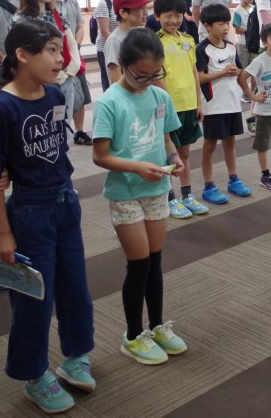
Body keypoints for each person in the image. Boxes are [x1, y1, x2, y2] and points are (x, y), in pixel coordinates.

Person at [0, 20, 95, 414]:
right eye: (50, 50)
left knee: (75, 287)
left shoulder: (54, 93)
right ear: (22, 55)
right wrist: (3, 234)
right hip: (30, 212)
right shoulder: (2, 107)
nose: (60, 58)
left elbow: (56, 149)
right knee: (34, 298)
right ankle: (34, 376)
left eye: (60, 49)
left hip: (65, 202)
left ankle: (76, 354)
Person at [92, 28, 189, 366]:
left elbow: (165, 139)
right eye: (141, 75)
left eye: (155, 74)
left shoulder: (159, 97)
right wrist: (137, 167)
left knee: (155, 261)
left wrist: (174, 157)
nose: (148, 81)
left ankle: (157, 326)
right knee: (139, 264)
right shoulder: (109, 102)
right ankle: (133, 336)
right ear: (122, 65)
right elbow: (100, 156)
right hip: (126, 193)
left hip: (156, 189)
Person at [154, 0, 208, 218]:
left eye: (178, 15)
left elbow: (194, 72)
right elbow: (158, 76)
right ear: (157, 16)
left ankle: (187, 195)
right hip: (169, 108)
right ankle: (170, 198)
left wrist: (198, 102)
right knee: (167, 154)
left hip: (189, 105)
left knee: (185, 153)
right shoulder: (155, 42)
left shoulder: (188, 40)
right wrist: (167, 105)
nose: (174, 20)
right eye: (168, 15)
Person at [196, 4, 252, 204]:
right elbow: (200, 78)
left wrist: (238, 74)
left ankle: (233, 179)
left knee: (230, 142)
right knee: (210, 145)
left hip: (232, 102)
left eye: (227, 23)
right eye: (221, 24)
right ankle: (208, 186)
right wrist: (222, 72)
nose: (226, 27)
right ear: (207, 26)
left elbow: (239, 71)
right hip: (213, 105)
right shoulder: (202, 49)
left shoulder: (231, 47)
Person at [12, 0, 82, 122]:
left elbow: (70, 42)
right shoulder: (21, 20)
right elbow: (23, 56)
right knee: (44, 125)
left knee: (64, 126)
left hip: (65, 78)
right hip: (40, 84)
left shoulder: (55, 14)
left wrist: (72, 68)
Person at [46, 0, 94, 146]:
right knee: (58, 98)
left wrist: (76, 47)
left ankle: (79, 131)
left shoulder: (72, 1)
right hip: (55, 58)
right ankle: (57, 134)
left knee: (80, 96)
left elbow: (80, 26)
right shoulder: (47, 6)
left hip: (73, 55)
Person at [238, 23, 271, 191]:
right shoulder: (260, 61)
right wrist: (252, 96)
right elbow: (242, 78)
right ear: (265, 42)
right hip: (264, 111)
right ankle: (265, 175)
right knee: (262, 144)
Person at [104, 0, 150, 85]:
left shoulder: (139, 35)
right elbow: (116, 81)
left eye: (145, 8)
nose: (146, 13)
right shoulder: (115, 40)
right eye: (140, 8)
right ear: (123, 13)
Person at [94, 0, 128, 91]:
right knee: (110, 81)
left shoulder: (125, 2)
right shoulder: (104, 3)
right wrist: (120, 44)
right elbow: (105, 32)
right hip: (107, 47)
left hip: (123, 47)